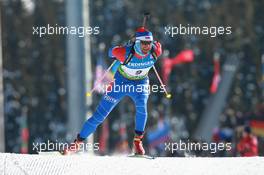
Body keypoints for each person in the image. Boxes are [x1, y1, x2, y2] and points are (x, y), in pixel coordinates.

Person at [63, 27, 162, 155]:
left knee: (142, 108)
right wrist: (124, 47)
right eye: (143, 43)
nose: (146, 47)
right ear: (137, 42)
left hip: (140, 83)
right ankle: (76, 144)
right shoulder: (124, 52)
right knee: (99, 116)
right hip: (120, 83)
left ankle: (137, 142)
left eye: (149, 43)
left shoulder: (156, 51)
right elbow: (110, 53)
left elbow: (157, 46)